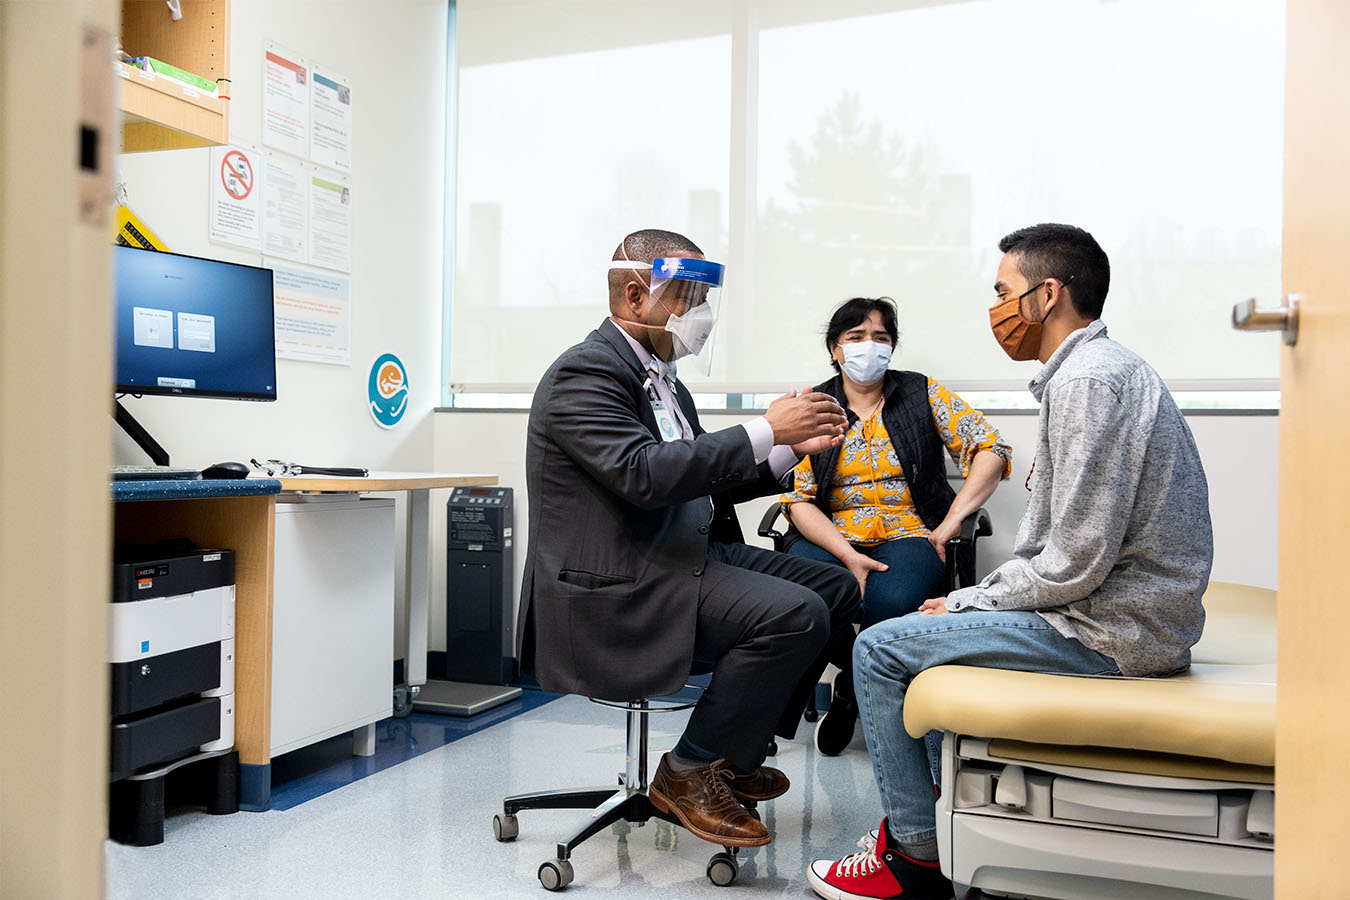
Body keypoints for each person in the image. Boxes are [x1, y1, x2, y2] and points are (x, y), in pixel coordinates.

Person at [807, 223, 1214, 900]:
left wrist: (968, 599)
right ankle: (936, 818)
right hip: (1118, 612)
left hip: (1113, 629)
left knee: (876, 651)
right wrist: (978, 597)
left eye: (1003, 291)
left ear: (1046, 294)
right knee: (909, 625)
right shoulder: (1096, 373)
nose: (996, 307)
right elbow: (1062, 551)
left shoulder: (1088, 383)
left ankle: (914, 863)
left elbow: (1073, 564)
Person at [517, 228, 862, 850]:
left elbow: (700, 483)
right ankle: (688, 769)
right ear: (633, 294)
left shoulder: (664, 380)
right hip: (621, 582)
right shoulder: (583, 373)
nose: (700, 315)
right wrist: (761, 427)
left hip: (675, 554)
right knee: (794, 615)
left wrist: (785, 450)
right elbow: (644, 475)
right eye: (687, 295)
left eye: (704, 298)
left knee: (833, 588)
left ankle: (734, 753)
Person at [779, 297, 1012, 757]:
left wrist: (949, 524)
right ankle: (858, 680)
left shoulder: (922, 393)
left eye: (880, 338)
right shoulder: (812, 405)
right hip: (832, 536)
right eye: (856, 337)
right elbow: (797, 500)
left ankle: (850, 693)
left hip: (910, 533)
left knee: (895, 602)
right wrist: (847, 555)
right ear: (834, 349)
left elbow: (992, 449)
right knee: (802, 599)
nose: (869, 347)